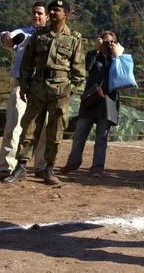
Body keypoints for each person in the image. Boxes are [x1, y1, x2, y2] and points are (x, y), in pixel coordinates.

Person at [3, 0, 85, 185]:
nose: (54, 12)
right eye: (52, 10)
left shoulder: (74, 38)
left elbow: (79, 71)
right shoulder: (39, 35)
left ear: (66, 14)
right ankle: (21, 167)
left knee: (55, 132)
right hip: (38, 87)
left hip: (60, 90)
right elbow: (27, 62)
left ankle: (49, 168)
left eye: (58, 10)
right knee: (29, 128)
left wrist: (69, 90)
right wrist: (24, 84)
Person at [0, 2, 49, 181]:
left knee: (42, 128)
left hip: (42, 86)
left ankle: (41, 166)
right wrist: (6, 38)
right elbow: (7, 36)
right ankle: (6, 167)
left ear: (47, 16)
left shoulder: (51, 36)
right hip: (21, 84)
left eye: (40, 14)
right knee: (14, 125)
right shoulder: (23, 33)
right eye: (34, 13)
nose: (36, 16)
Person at [58, 30, 121, 177]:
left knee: (101, 137)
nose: (107, 44)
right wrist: (97, 50)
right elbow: (86, 68)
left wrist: (116, 55)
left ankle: (97, 168)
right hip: (90, 99)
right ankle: (72, 163)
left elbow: (122, 75)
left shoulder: (118, 58)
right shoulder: (92, 55)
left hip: (107, 102)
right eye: (105, 40)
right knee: (80, 133)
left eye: (110, 41)